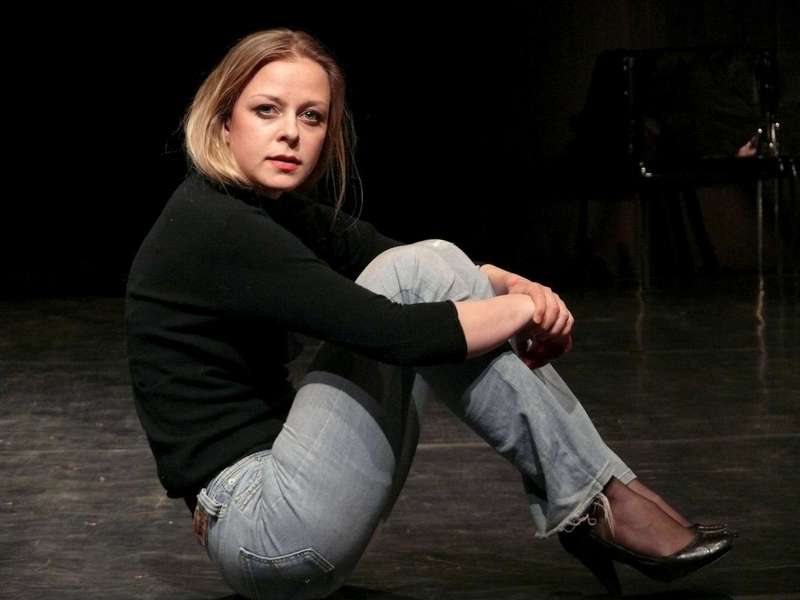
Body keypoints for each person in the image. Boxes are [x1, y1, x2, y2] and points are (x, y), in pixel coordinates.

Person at [125, 28, 733, 600]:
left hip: (289, 516)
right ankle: (600, 500)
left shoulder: (271, 210)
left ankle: (595, 498)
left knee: (429, 259)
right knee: (416, 274)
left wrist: (515, 285)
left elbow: (415, 262)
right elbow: (398, 332)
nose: (291, 133)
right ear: (223, 120)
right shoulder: (215, 225)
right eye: (267, 110)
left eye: (311, 116)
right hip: (264, 531)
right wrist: (520, 310)